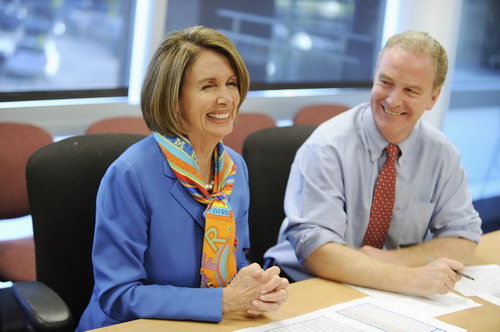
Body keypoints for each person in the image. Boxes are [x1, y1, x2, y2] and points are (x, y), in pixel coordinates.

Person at [76, 26, 288, 331]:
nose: (226, 98)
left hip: (208, 323)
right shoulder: (131, 175)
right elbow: (118, 296)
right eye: (208, 86)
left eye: (231, 83)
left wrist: (258, 288)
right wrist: (224, 301)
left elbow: (235, 262)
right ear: (173, 99)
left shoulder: (234, 168)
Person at [265, 31, 482, 297]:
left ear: (433, 99)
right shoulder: (326, 146)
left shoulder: (441, 154)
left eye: (411, 90)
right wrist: (411, 278)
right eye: (386, 82)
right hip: (303, 284)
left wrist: (388, 262)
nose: (393, 100)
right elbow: (317, 252)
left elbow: (464, 238)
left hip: (382, 287)